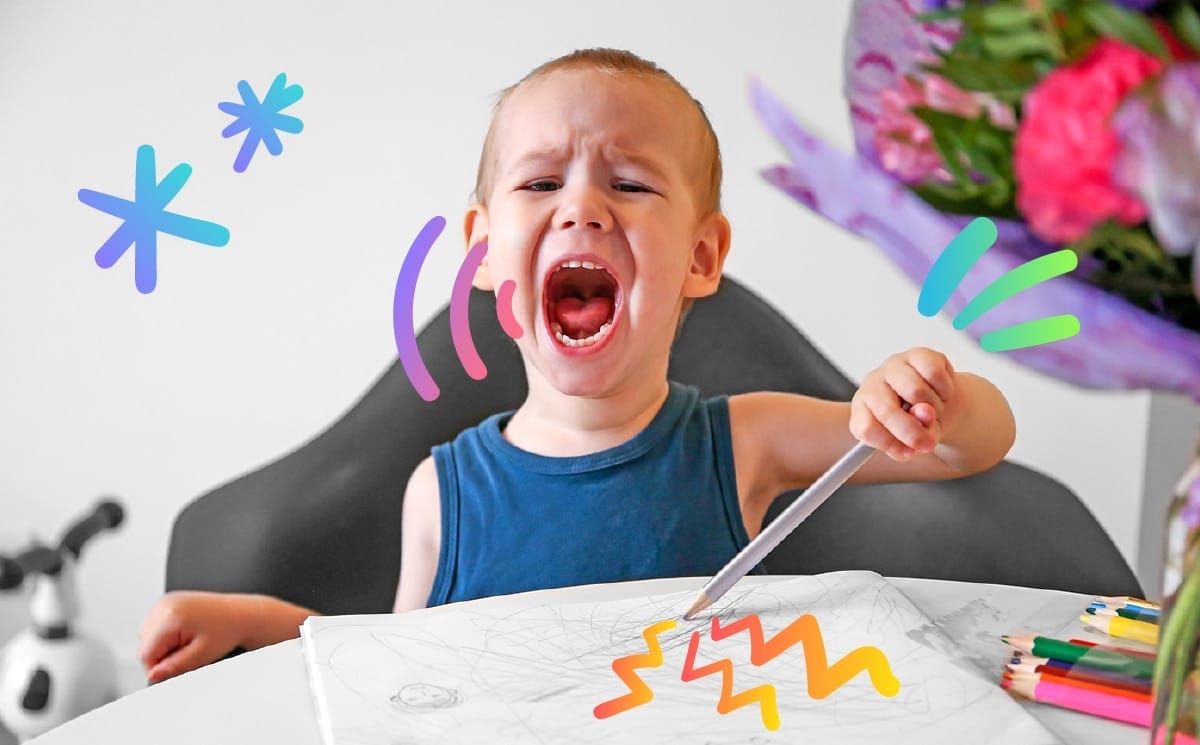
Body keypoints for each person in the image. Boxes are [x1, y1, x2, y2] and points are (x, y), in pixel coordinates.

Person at [138, 47, 1017, 684]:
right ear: (485, 252)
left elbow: (969, 448)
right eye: (539, 183)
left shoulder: (748, 440)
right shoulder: (439, 493)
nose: (583, 207)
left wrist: (934, 397)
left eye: (629, 184)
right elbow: (398, 672)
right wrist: (262, 623)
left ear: (702, 257)